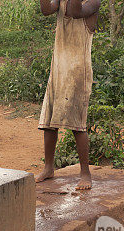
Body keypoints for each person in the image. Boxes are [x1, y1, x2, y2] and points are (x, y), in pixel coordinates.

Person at [35, 0, 101, 190]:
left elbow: (75, 12)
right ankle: (49, 167)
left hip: (77, 70)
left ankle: (85, 173)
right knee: (49, 122)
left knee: (77, 124)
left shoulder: (93, 2)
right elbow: (47, 9)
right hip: (58, 68)